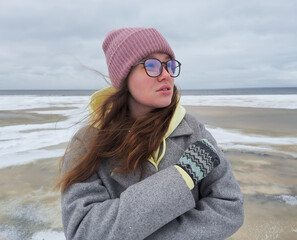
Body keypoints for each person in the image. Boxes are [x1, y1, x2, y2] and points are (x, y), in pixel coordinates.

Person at [56, 27, 244, 240]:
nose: (166, 75)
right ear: (124, 76)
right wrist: (182, 177)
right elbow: (83, 230)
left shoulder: (194, 132)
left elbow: (230, 207)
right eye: (152, 65)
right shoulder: (88, 142)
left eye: (169, 65)